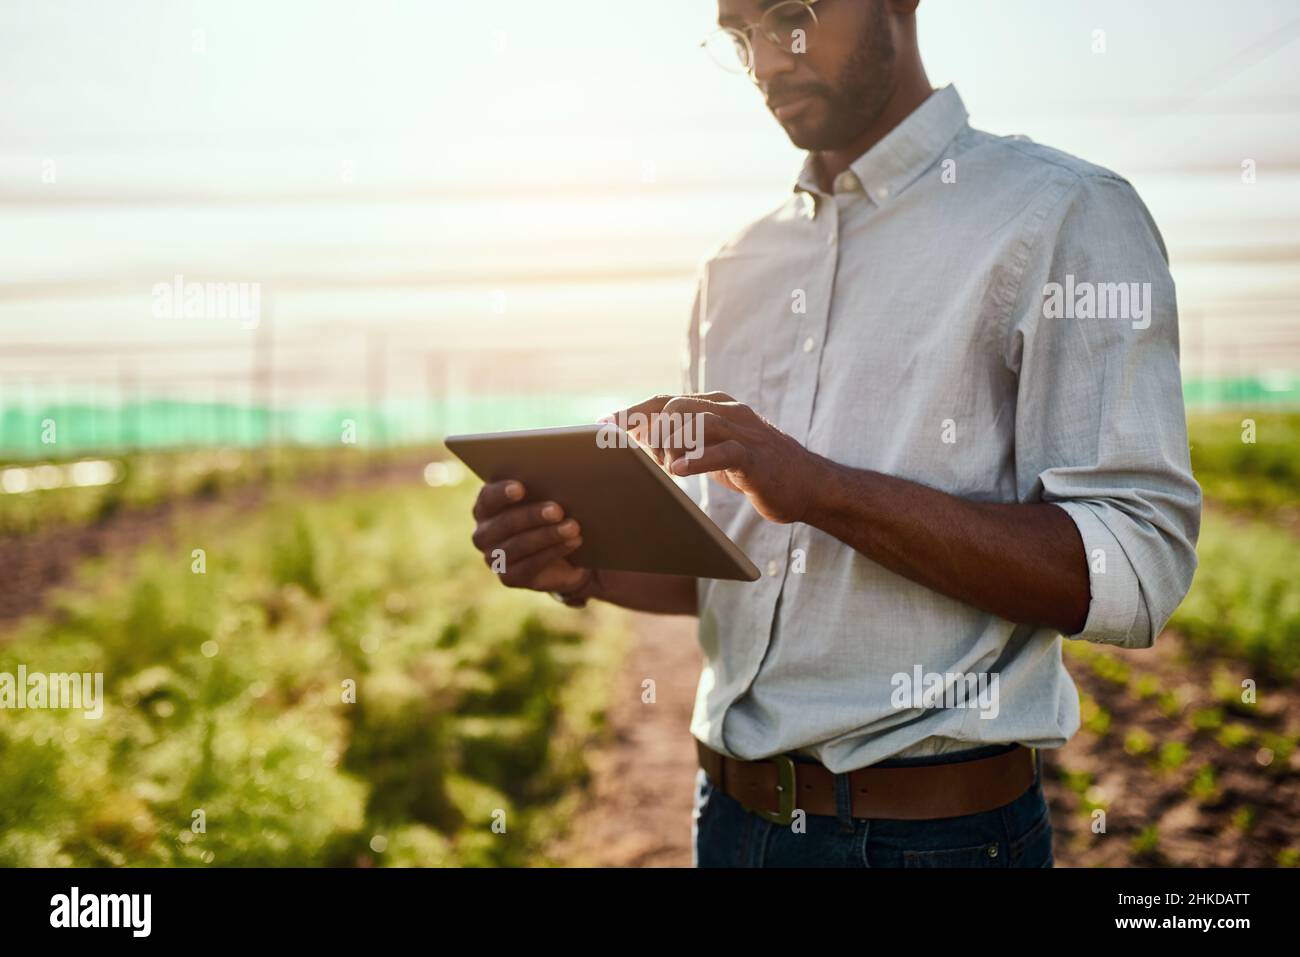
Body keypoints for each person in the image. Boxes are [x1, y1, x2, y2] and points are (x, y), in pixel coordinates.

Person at [468, 0, 1201, 867]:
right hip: (730, 821)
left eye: (791, 15)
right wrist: (582, 564)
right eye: (739, 35)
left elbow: (1136, 565)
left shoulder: (1062, 215)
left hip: (932, 840)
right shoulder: (735, 268)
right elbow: (740, 574)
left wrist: (820, 488)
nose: (767, 61)